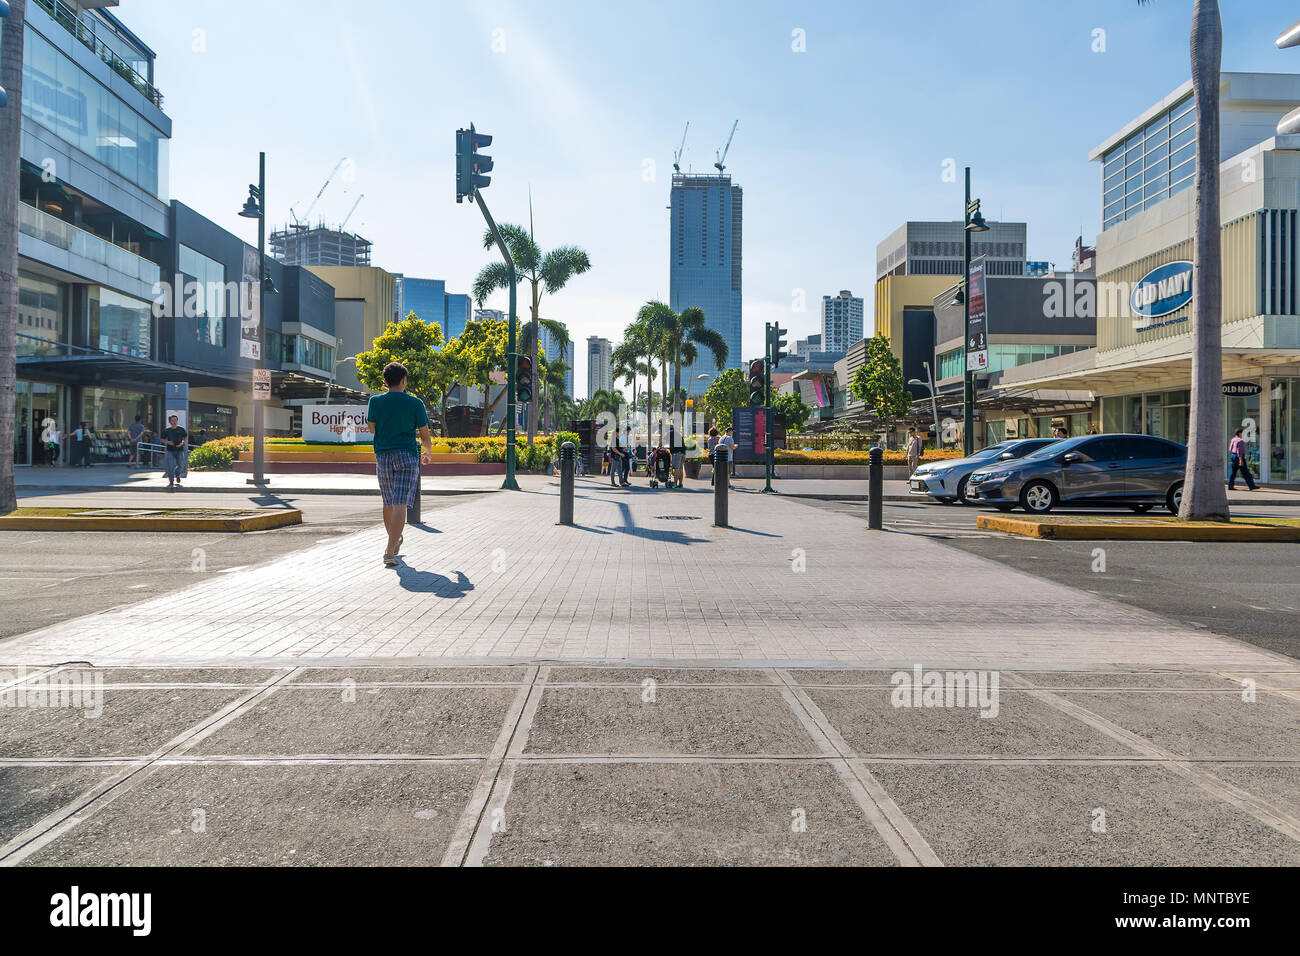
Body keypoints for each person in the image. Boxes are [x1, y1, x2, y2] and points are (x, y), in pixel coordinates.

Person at [366, 361, 433, 567]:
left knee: (388, 503)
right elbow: (424, 435)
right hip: (407, 456)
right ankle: (389, 549)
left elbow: (371, 428)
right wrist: (428, 452)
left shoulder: (375, 401)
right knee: (400, 503)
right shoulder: (415, 403)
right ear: (404, 380)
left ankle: (393, 542)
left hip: (383, 455)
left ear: (385, 381)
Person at [162, 415, 188, 488]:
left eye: (175, 420)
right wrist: (168, 442)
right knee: (171, 466)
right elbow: (162, 439)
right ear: (170, 422)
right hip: (170, 450)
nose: (174, 422)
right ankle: (171, 481)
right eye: (173, 420)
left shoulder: (181, 429)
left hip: (180, 449)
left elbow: (185, 437)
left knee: (181, 465)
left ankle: (177, 474)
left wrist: (182, 443)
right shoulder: (167, 430)